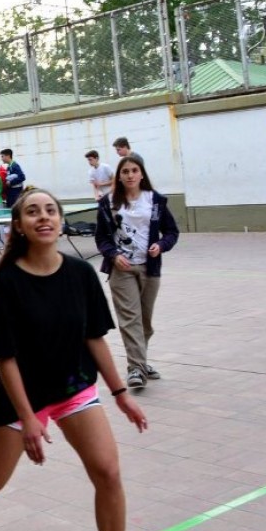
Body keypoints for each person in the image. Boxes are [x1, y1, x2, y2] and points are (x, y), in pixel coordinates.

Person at [0, 189, 148, 531]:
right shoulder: (7, 281)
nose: (43, 217)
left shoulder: (80, 274)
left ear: (60, 222)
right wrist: (29, 418)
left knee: (108, 473)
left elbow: (94, 338)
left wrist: (121, 395)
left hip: (74, 387)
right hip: (21, 398)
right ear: (20, 226)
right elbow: (6, 358)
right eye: (32, 212)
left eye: (50, 211)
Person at [94, 156, 179, 389]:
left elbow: (172, 232)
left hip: (150, 268)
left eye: (134, 170)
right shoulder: (108, 203)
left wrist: (161, 245)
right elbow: (101, 238)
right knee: (130, 320)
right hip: (122, 270)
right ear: (119, 177)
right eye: (125, 171)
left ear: (142, 174)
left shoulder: (156, 201)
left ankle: (140, 361)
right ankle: (136, 370)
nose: (130, 175)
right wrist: (113, 254)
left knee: (145, 323)